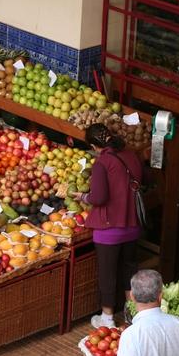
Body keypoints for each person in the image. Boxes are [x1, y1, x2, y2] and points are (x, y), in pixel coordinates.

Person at [73, 123, 143, 328]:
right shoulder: (131, 155)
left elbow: (99, 197)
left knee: (108, 273)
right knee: (129, 270)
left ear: (95, 145)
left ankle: (107, 318)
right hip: (132, 225)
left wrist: (83, 196)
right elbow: (143, 179)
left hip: (109, 229)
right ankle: (132, 316)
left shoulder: (102, 163)